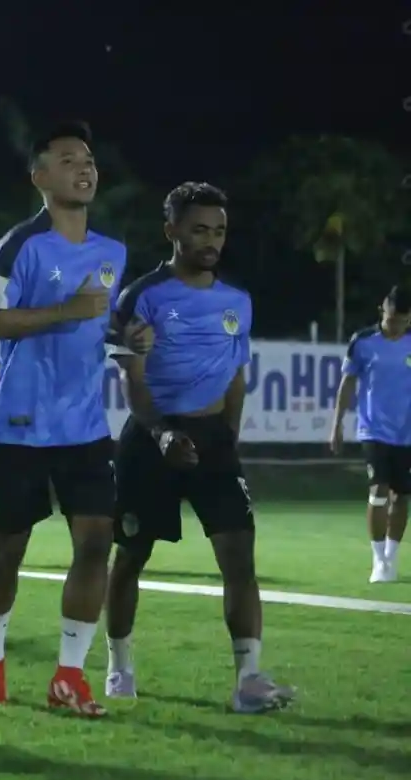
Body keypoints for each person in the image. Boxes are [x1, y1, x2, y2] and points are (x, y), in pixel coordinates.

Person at [0, 121, 148, 717]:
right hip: (19, 427)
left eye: (89, 159)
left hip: (85, 429)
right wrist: (62, 310)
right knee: (6, 554)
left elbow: (101, 326)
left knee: (96, 544)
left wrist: (128, 337)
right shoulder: (19, 245)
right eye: (69, 159)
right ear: (40, 176)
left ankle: (69, 676)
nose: (85, 168)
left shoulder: (112, 251)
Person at [104, 182, 295, 714]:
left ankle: (249, 680)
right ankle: (119, 666)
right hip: (151, 439)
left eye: (219, 231)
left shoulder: (237, 300)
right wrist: (163, 433)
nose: (211, 241)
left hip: (213, 442)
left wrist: (227, 438)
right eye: (199, 230)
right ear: (171, 231)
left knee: (240, 560)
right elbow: (132, 382)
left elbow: (236, 375)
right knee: (130, 557)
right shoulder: (141, 296)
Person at [331, 284, 411, 583]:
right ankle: (378, 559)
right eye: (391, 319)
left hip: (407, 433)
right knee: (378, 491)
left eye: (402, 321)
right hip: (373, 430)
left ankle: (391, 555)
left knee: (401, 497)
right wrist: (337, 423)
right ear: (382, 311)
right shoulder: (363, 341)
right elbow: (348, 383)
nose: (395, 325)